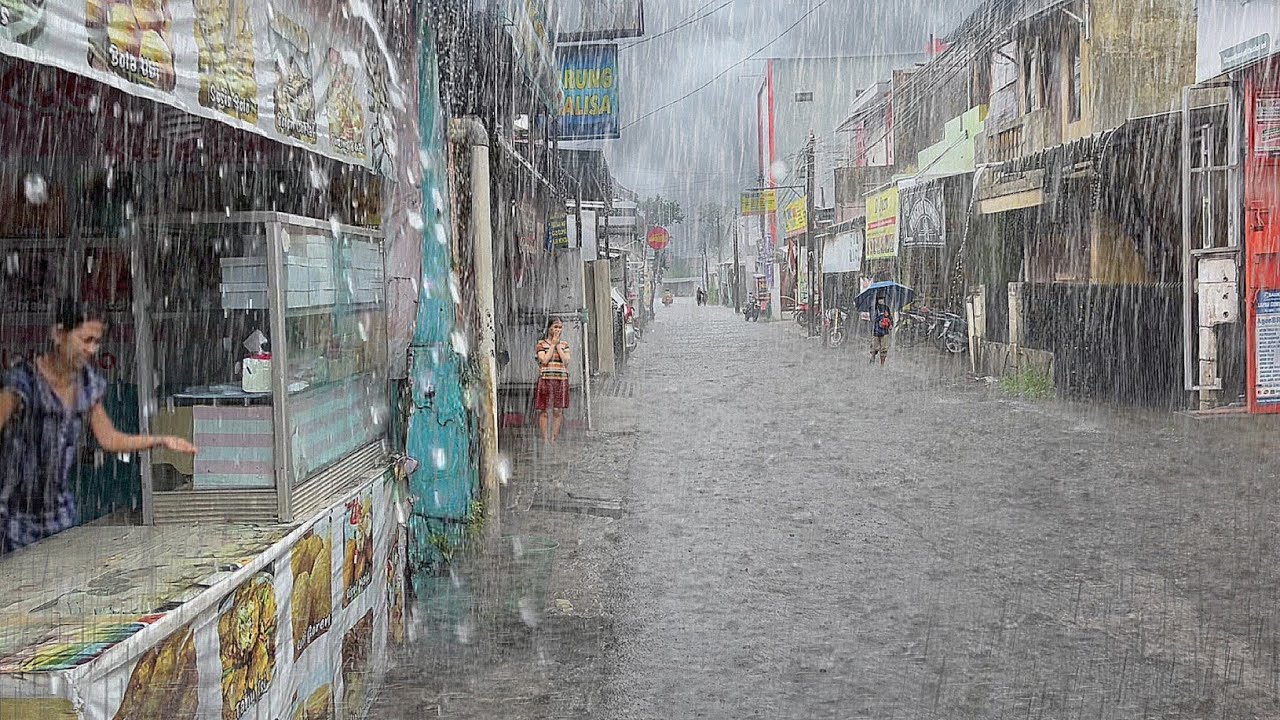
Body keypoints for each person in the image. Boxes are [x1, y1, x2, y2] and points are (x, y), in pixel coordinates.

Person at [0, 299, 198, 554]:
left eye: (96, 342)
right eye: (85, 340)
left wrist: (160, 440)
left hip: (58, 514)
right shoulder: (23, 383)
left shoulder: (86, 383)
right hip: (15, 515)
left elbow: (109, 439)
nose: (92, 349)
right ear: (59, 334)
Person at [534, 317, 571, 444]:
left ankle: (554, 438)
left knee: (557, 410)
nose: (557, 330)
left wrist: (558, 346)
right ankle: (545, 439)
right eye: (555, 327)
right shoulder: (541, 344)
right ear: (549, 328)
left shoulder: (565, 345)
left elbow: (566, 361)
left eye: (560, 327)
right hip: (546, 379)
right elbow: (544, 360)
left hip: (561, 380)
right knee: (544, 410)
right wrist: (553, 344)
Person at [870, 296, 892, 365]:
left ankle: (882, 364)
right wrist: (881, 316)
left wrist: (891, 324)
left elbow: (890, 317)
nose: (881, 300)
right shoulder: (872, 308)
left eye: (882, 298)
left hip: (885, 331)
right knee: (874, 348)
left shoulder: (886, 308)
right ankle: (872, 358)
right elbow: (872, 319)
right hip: (876, 331)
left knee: (884, 349)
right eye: (880, 298)